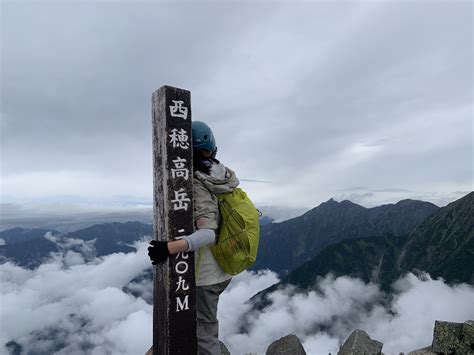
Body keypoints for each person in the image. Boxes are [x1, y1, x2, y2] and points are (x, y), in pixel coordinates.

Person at [148, 121, 239, 355]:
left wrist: (169, 248)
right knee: (202, 327)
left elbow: (208, 233)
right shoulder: (220, 175)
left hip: (208, 273)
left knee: (204, 332)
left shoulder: (198, 183)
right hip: (224, 264)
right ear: (213, 150)